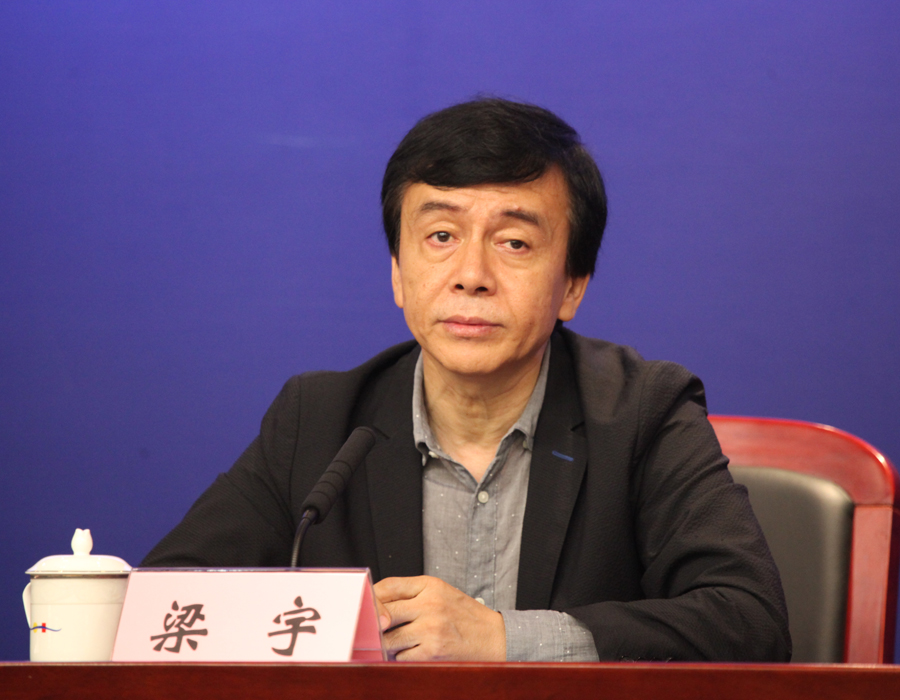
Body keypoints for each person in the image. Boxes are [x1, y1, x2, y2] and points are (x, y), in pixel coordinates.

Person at [143, 98, 791, 663]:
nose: (471, 275)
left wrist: (505, 639)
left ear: (572, 285)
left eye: (514, 243)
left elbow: (749, 621)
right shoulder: (318, 420)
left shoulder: (643, 413)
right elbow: (167, 603)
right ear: (398, 272)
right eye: (441, 235)